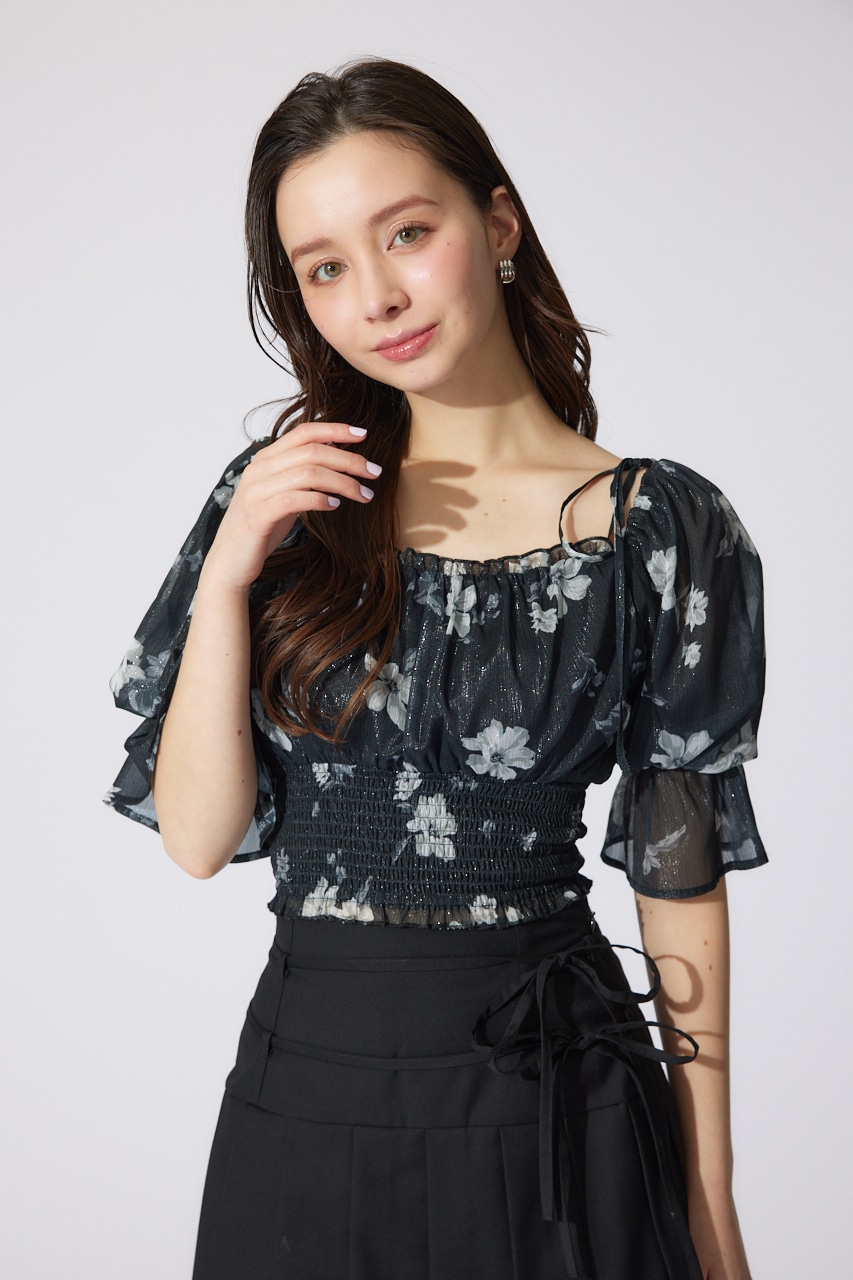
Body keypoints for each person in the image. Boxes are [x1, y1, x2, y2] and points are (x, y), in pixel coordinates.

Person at [106, 58, 766, 1280]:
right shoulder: (280, 506)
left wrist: (710, 1192)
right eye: (324, 267)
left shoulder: (658, 528)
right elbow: (197, 838)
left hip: (556, 1100)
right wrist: (229, 570)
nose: (377, 296)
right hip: (306, 1097)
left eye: (406, 232)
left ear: (498, 223)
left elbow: (679, 874)